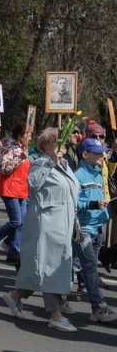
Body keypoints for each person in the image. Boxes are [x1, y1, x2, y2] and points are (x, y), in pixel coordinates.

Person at [3, 128, 81, 331]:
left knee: (43, 270)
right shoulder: (39, 163)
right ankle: (55, 315)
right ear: (45, 145)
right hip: (46, 224)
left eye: (61, 142)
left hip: (62, 222)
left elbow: (73, 192)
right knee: (50, 269)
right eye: (56, 142)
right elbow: (33, 182)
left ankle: (15, 296)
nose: (60, 146)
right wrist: (50, 162)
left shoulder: (64, 165)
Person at [72, 136, 117, 322]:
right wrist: (92, 204)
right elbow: (73, 203)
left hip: (98, 228)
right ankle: (98, 307)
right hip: (83, 230)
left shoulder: (98, 172)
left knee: (85, 267)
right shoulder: (77, 176)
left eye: (102, 152)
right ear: (85, 154)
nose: (102, 156)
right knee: (89, 267)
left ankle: (57, 299)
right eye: (97, 153)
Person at [0, 123, 31, 265]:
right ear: (20, 135)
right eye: (27, 134)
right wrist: (20, 157)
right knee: (16, 221)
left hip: (21, 189)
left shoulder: (23, 148)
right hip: (10, 188)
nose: (29, 137)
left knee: (22, 223)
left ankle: (13, 251)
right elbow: (4, 168)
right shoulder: (9, 146)